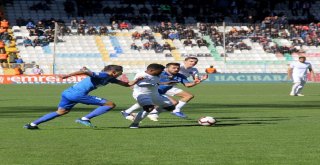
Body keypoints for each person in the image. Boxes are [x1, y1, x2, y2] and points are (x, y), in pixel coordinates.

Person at [24, 65, 143, 129]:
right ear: (113, 72)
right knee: (110, 104)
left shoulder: (110, 79)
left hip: (68, 93)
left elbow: (127, 85)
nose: (121, 74)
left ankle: (33, 124)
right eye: (120, 72)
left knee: (61, 111)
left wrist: (137, 80)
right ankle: (85, 119)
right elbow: (85, 72)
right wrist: (67, 75)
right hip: (77, 94)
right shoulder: (103, 75)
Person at [123, 57, 208, 121]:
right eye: (191, 61)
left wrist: (200, 80)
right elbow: (147, 75)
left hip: (169, 87)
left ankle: (138, 113)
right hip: (156, 90)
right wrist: (134, 85)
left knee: (187, 96)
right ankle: (149, 113)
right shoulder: (160, 72)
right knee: (169, 102)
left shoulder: (184, 73)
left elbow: (188, 84)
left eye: (195, 62)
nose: (176, 69)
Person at [127, 63, 175, 128]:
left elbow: (163, 77)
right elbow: (140, 84)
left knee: (171, 107)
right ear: (151, 70)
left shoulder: (158, 74)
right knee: (149, 108)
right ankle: (135, 123)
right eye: (160, 71)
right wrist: (159, 84)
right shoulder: (142, 75)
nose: (161, 72)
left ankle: (151, 113)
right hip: (141, 94)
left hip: (155, 95)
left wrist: (169, 78)